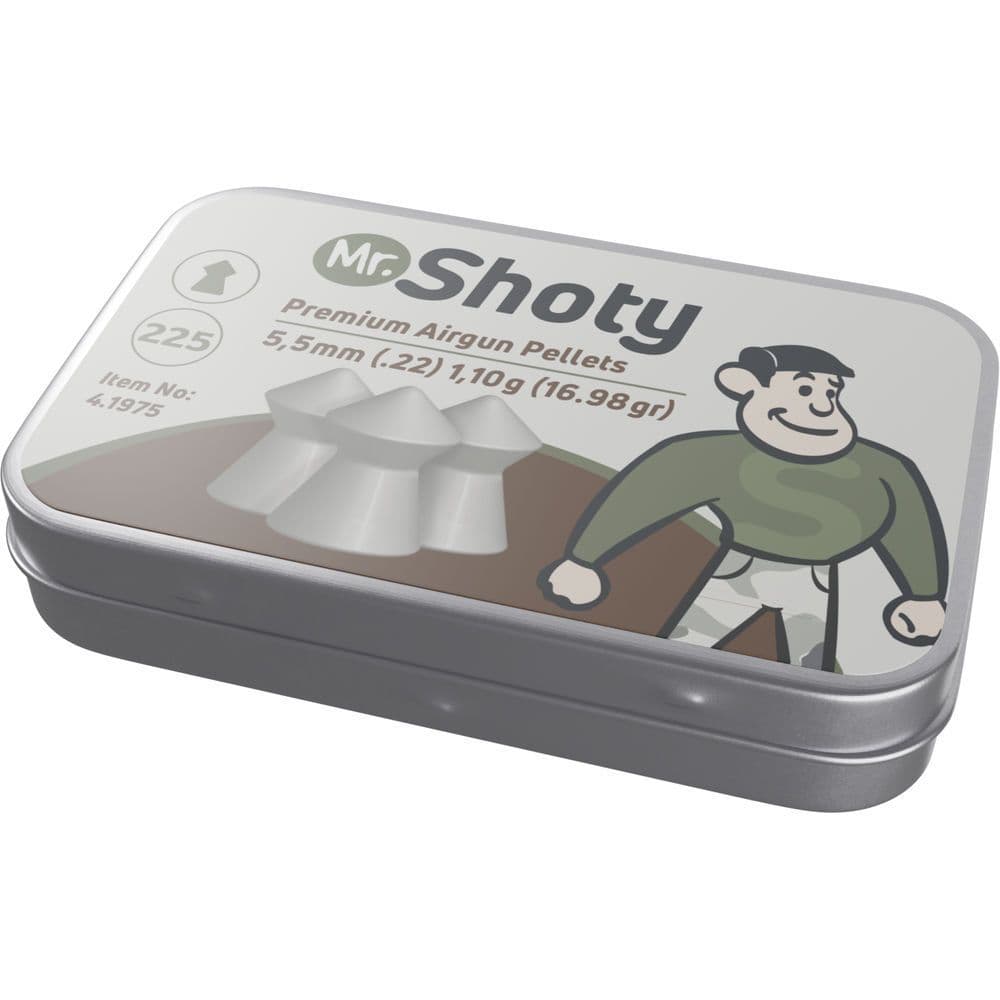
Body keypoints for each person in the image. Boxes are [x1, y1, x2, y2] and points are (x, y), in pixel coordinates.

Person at [539, 345, 948, 670]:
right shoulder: (719, 454)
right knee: (681, 654)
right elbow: (644, 494)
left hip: (816, 581)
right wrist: (584, 559)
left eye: (830, 392)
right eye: (804, 390)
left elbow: (908, 525)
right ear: (747, 386)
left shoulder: (881, 467)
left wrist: (924, 595)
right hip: (738, 571)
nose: (822, 406)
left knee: (810, 673)